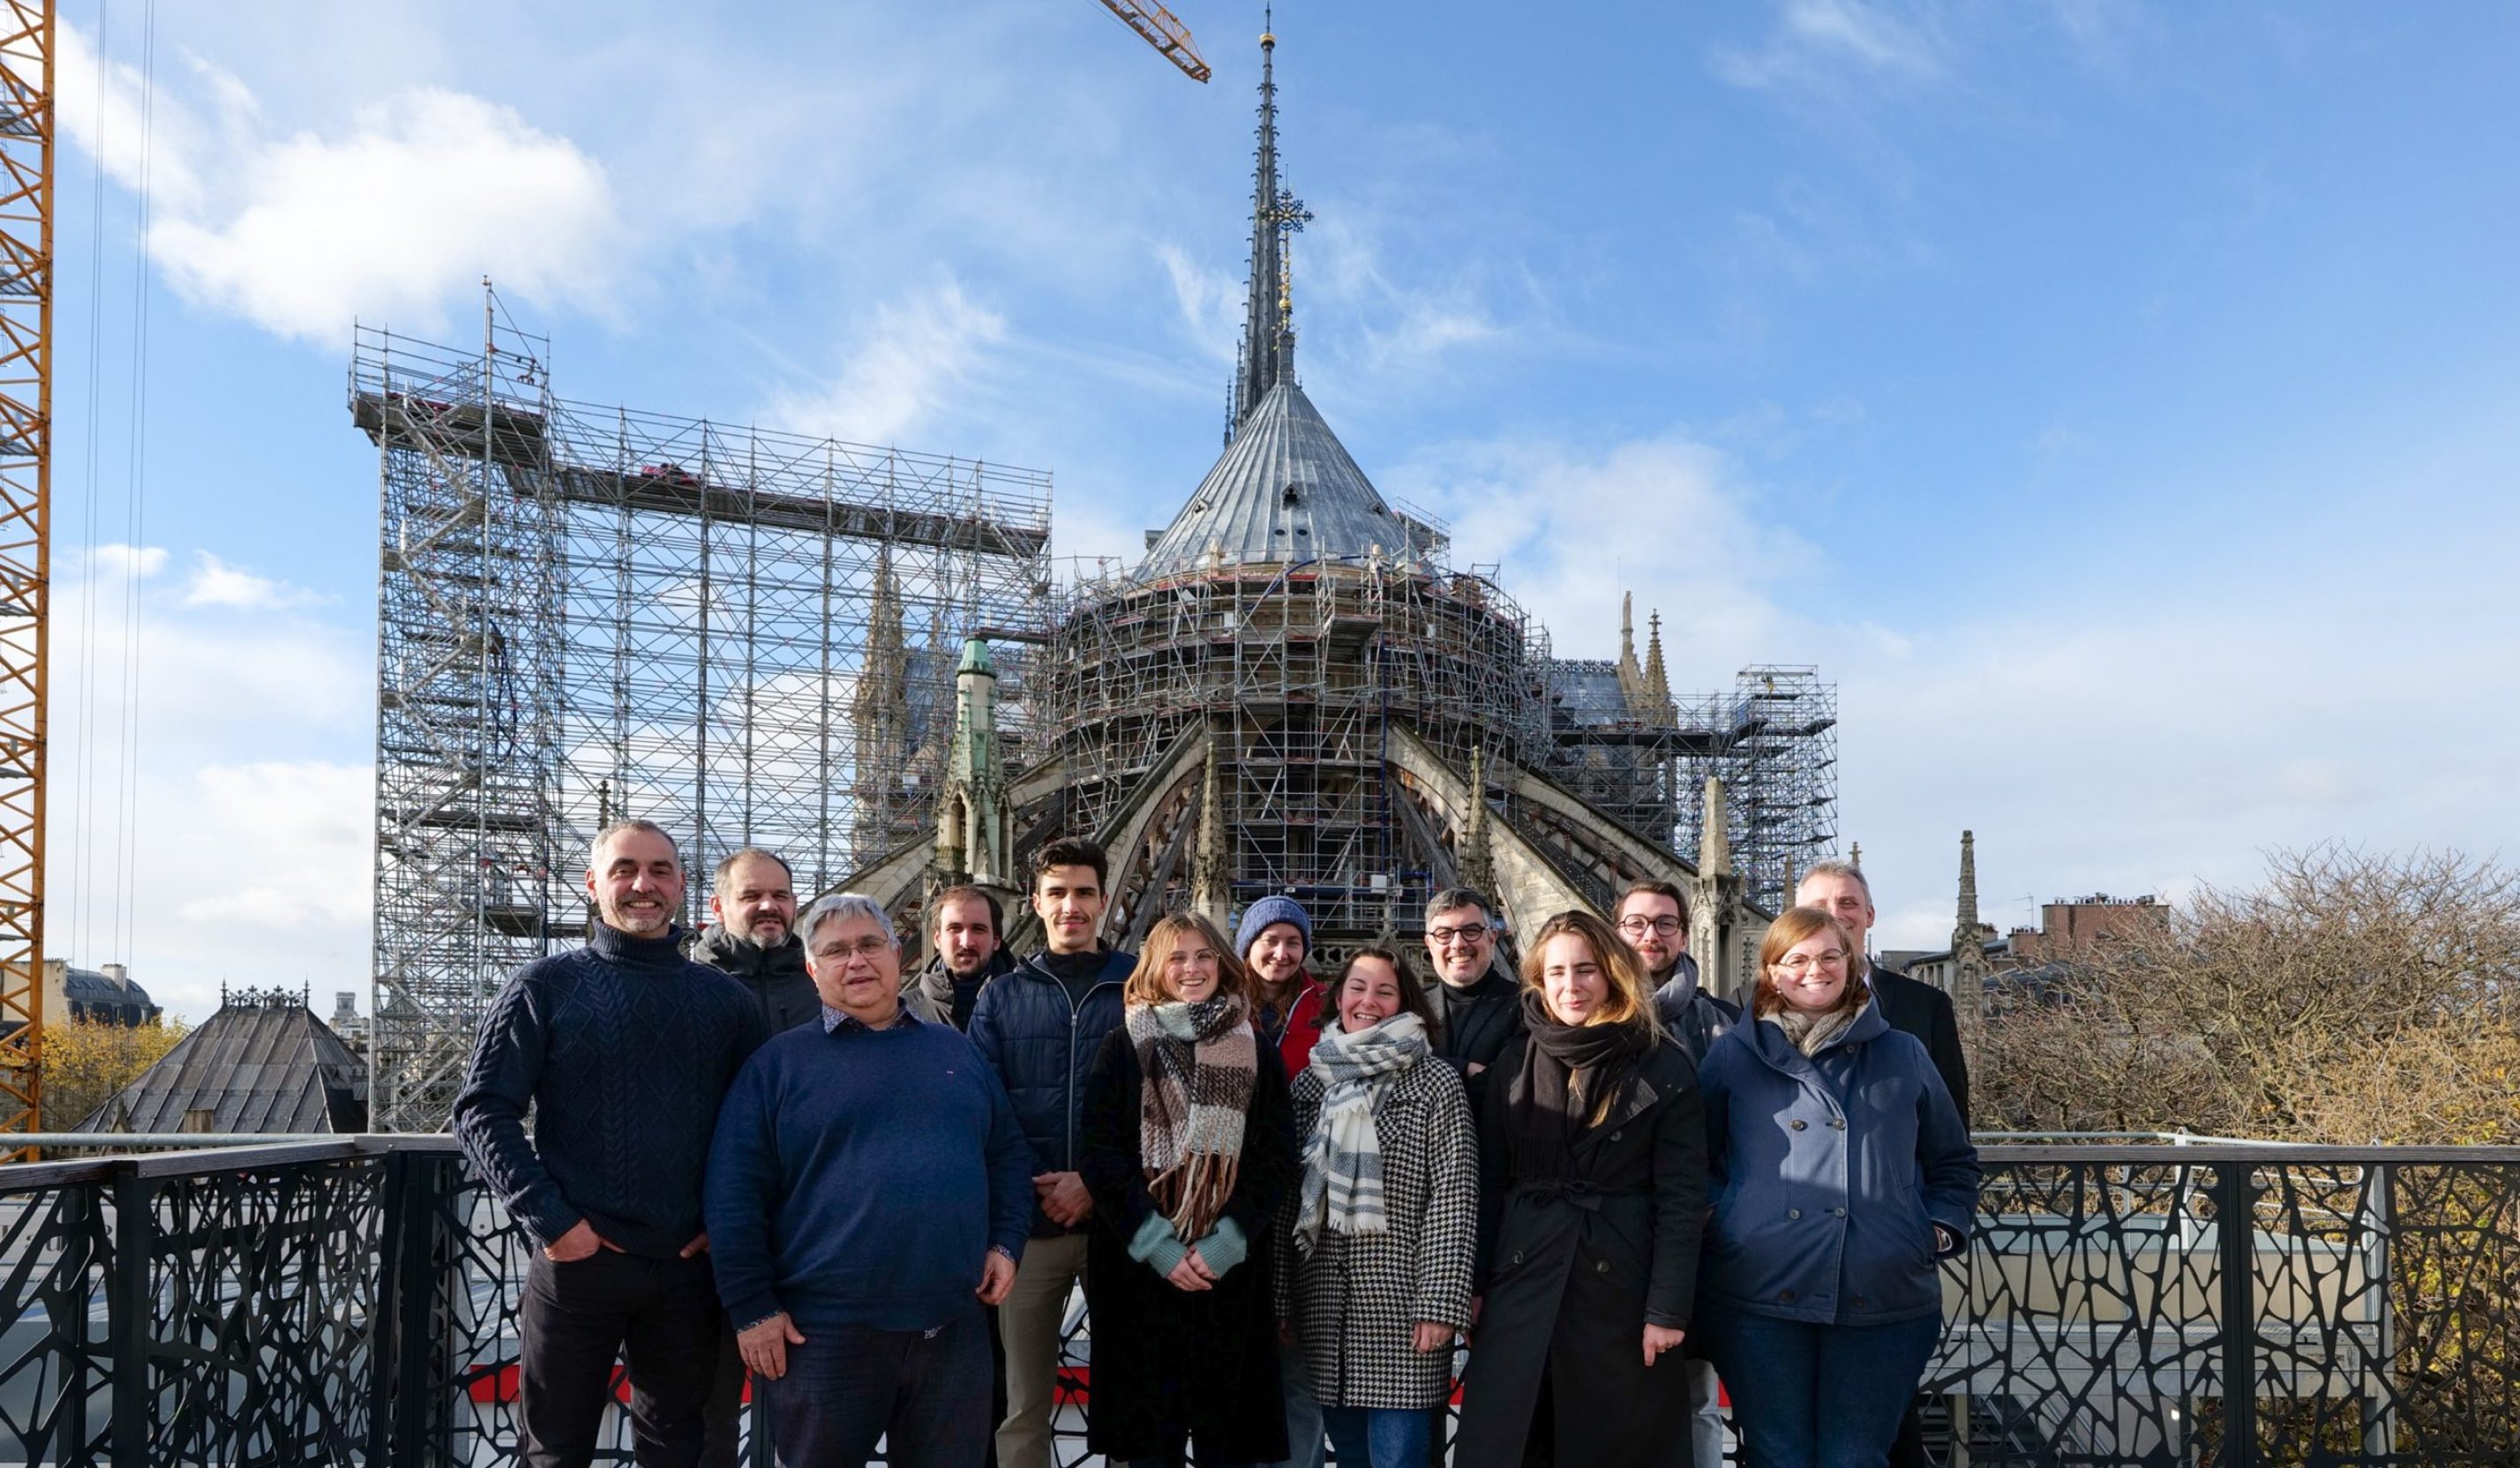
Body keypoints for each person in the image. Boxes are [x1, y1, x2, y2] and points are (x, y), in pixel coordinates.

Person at [454, 820, 768, 1468]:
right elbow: (482, 1109)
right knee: (554, 1451)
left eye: (658, 870)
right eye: (624, 869)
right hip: (577, 1266)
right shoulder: (543, 986)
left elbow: (760, 1131)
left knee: (679, 1449)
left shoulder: (727, 1002)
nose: (642, 885)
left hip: (688, 1269)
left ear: (682, 885)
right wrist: (554, 1222)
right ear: (593, 885)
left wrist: (724, 1223)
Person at [702, 892, 1032, 1467]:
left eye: (869, 945)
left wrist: (1005, 1241)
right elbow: (733, 1195)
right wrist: (752, 1307)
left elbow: (1005, 1151)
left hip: (951, 1327)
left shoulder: (952, 1050)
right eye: (835, 951)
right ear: (812, 969)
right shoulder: (777, 1066)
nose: (856, 961)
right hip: (824, 1335)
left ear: (897, 953)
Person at [1694, 908, 1980, 1468]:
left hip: (1881, 1290)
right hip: (1760, 1293)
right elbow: (1694, 1160)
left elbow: (1953, 1159)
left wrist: (1937, 1230)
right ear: (1771, 972)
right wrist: (1726, 1221)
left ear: (1851, 965)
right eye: (1795, 959)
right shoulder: (1734, 1054)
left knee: (1855, 1457)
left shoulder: (1903, 1052)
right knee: (1780, 1455)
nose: (1814, 970)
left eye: (1830, 956)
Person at [1456, 910, 1708, 1468]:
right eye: (1556, 973)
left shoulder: (1662, 1062)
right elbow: (1491, 1182)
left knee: (1614, 1444)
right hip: (1523, 1282)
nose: (1571, 987)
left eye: (1586, 970)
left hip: (1620, 1286)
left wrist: (1667, 1310)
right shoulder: (1513, 1061)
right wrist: (1474, 1287)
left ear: (1613, 973)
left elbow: (1683, 1199)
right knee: (1516, 1441)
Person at [1076, 911, 1300, 1468]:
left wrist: (1226, 1242)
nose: (1192, 968)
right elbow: (1101, 1157)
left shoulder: (1257, 1050)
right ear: (1155, 966)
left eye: (1203, 956)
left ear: (1223, 963)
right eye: (1177, 957)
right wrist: (1159, 1245)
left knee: (1229, 1446)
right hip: (1141, 1272)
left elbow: (1275, 1159)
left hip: (1227, 1274)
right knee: (1151, 1448)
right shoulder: (1122, 1045)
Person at [1795, 860, 1971, 1468]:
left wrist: (1934, 1228)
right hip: (1792, 1247)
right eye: (1818, 904)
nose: (1833, 914)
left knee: (1888, 1418)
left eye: (1847, 903)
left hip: (1889, 1249)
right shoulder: (1752, 1005)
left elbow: (1952, 1137)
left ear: (1869, 916)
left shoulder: (1923, 1006)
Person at [967, 838, 1138, 1468]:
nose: (1072, 906)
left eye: (1084, 892)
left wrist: (1093, 1181)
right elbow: (988, 1113)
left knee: (1130, 1396)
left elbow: (1161, 1109)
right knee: (1022, 1406)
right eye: (1058, 893)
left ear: (1104, 901)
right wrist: (1034, 1191)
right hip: (1030, 1226)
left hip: (1122, 1222)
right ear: (1035, 903)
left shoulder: (1141, 986)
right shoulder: (1002, 995)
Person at [1279, 948, 1477, 1468]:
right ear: (1338, 998)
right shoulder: (1310, 1083)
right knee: (1350, 1458)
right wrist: (1281, 1301)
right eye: (1357, 988)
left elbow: (1453, 1196)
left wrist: (1438, 1305)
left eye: (1385, 991)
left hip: (1402, 1310)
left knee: (1401, 1460)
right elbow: (1287, 1204)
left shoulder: (1435, 1082)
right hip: (1323, 1304)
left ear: (1405, 1002)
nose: (1368, 1001)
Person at [1616, 880, 1739, 1468]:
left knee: (1694, 1394)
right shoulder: (1584, 1014)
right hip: (1606, 1237)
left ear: (1686, 934)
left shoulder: (1720, 1024)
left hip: (1693, 1233)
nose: (1650, 935)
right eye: (1636, 923)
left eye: (1664, 923)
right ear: (1616, 933)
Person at [1236, 895, 1329, 1468]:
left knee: (1299, 1373)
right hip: (1238, 1206)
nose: (1280, 951)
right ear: (1247, 945)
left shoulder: (1331, 1010)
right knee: (1243, 1366)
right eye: (1269, 939)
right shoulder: (1219, 1007)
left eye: (1292, 941)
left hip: (1306, 1205)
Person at [1420, 888, 1527, 1118]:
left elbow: (1511, 1088)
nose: (1458, 943)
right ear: (1429, 944)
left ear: (1492, 937)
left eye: (1471, 930)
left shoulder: (1526, 1007)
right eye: (1444, 934)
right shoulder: (1412, 1007)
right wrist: (1465, 1069)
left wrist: (1426, 1070)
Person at [914, 883, 1021, 1030]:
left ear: (996, 941)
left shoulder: (1030, 1007)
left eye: (978, 929)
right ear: (937, 939)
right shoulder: (903, 1013)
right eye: (955, 929)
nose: (966, 943)